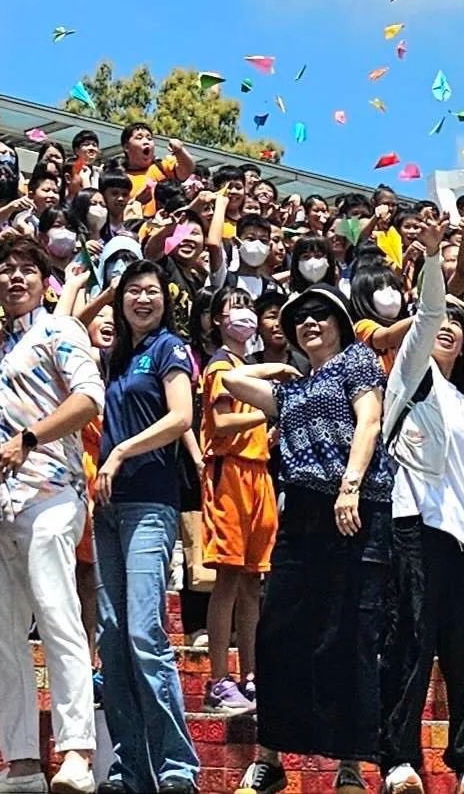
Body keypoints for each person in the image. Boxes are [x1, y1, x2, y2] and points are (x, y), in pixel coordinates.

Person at [224, 284, 389, 794]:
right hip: (301, 516)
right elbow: (231, 378)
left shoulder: (357, 362)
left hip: (352, 509)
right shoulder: (292, 391)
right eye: (301, 318)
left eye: (321, 315)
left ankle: (349, 766)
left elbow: (370, 418)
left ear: (340, 323)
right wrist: (278, 367)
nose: (310, 323)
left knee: (349, 638)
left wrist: (351, 484)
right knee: (278, 636)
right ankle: (271, 757)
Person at [0, 235, 104, 794]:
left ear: (43, 280)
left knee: (58, 616)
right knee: (2, 634)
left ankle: (76, 752)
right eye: (5, 270)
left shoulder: (61, 329)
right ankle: (23, 764)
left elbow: (89, 399)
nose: (15, 278)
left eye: (27, 269)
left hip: (52, 493)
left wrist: (28, 438)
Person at [378, 216, 464, 794]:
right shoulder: (408, 375)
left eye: (458, 323)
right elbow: (426, 316)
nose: (448, 327)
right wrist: (429, 259)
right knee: (411, 639)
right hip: (415, 524)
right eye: (442, 320)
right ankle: (398, 758)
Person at [93, 260, 199, 794]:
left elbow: (180, 417)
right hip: (107, 511)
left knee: (143, 633)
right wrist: (104, 291)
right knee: (111, 640)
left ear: (166, 299)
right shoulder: (115, 357)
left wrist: (120, 455)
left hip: (149, 505)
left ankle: (177, 769)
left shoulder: (169, 350)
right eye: (131, 291)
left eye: (150, 291)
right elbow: (68, 317)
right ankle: (129, 767)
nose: (141, 299)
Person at [199, 286, 276, 712]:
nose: (244, 315)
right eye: (234, 308)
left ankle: (250, 675)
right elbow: (222, 421)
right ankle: (217, 679)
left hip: (259, 473)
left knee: (253, 581)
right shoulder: (220, 367)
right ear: (216, 320)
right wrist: (272, 411)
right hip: (229, 472)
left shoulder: (250, 367)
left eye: (249, 306)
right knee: (227, 578)